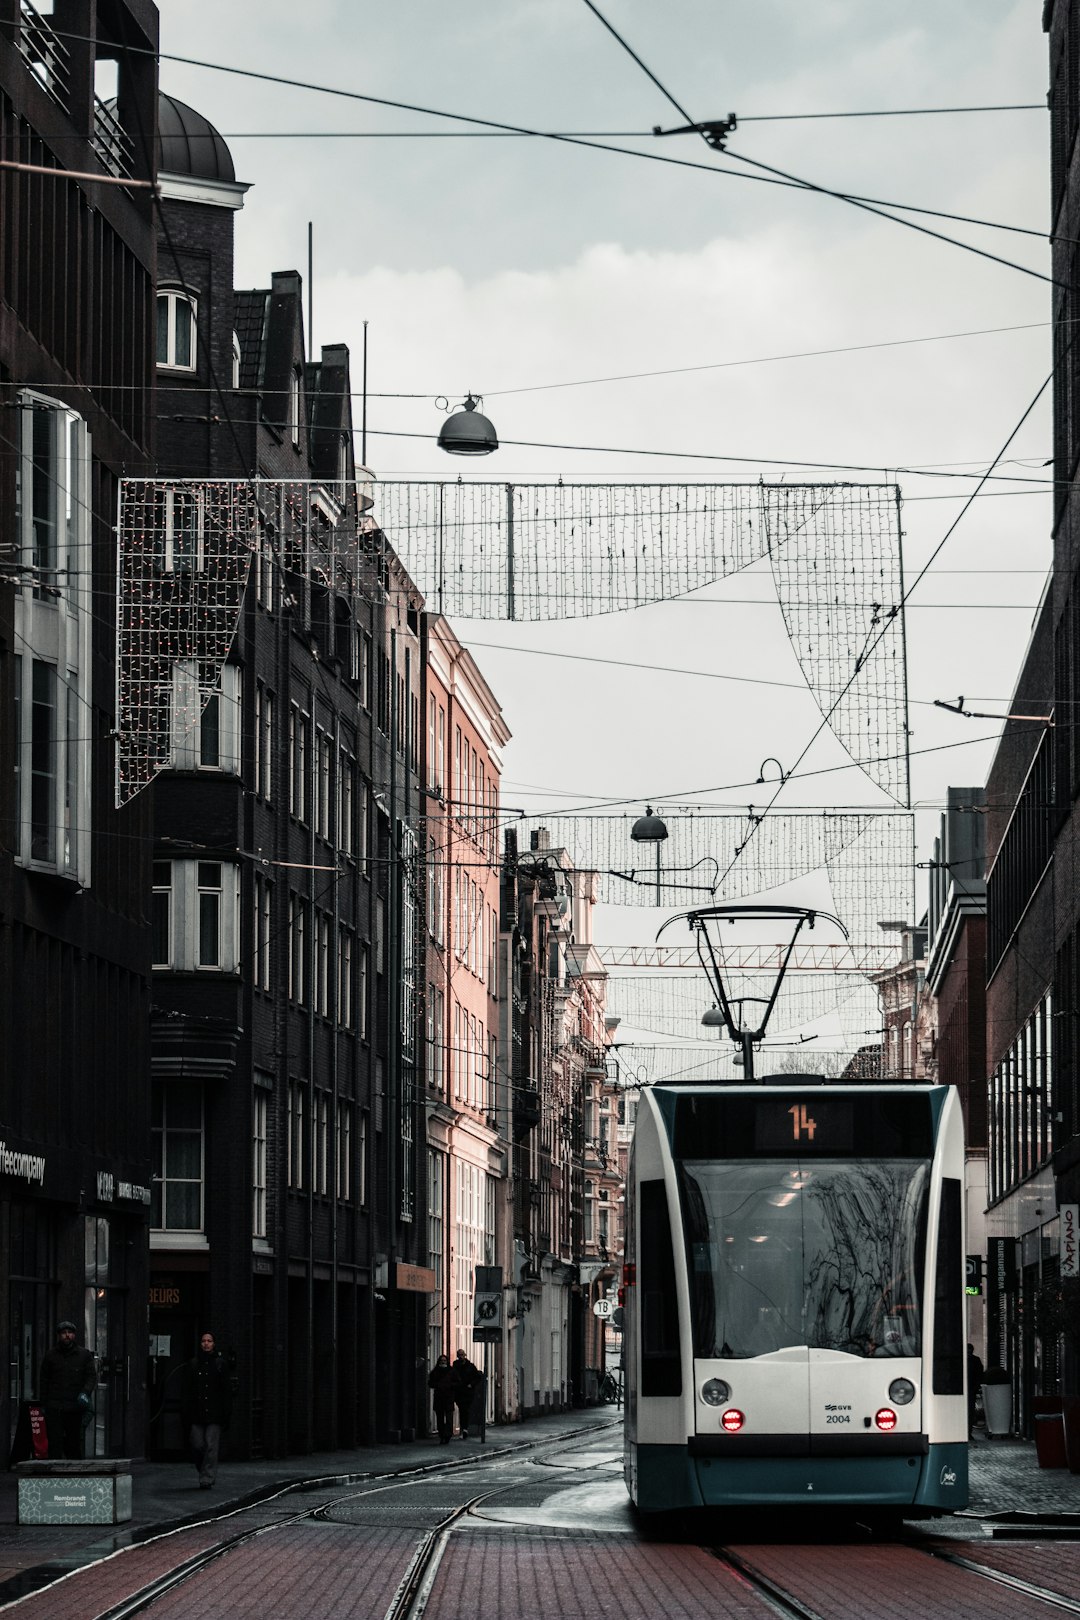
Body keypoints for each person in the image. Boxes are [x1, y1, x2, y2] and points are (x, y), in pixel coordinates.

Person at [179, 1331, 233, 1488]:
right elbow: (187, 1390)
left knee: (211, 1445)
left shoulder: (220, 1364)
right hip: (197, 1412)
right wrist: (185, 1410)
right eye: (203, 1341)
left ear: (213, 1344)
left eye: (209, 1341)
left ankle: (207, 1478)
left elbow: (226, 1391)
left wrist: (226, 1412)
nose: (206, 1343)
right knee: (197, 1444)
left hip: (215, 1413)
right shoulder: (194, 1364)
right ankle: (203, 1470)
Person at [38, 1320, 96, 1460]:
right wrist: (44, 1404)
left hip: (75, 1407)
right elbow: (44, 1380)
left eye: (70, 1333)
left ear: (74, 1335)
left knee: (74, 1443)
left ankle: (75, 1475)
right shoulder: (51, 1355)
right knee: (55, 1443)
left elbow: (91, 1377)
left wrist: (85, 1392)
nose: (67, 1335)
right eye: (64, 1333)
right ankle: (54, 1475)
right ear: (59, 1335)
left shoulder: (84, 1355)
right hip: (55, 1406)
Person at [427, 1354, 460, 1444]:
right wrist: (438, 1385)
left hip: (449, 1397)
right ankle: (441, 1435)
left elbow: (457, 1382)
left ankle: (448, 1435)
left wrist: (450, 1386)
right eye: (441, 1360)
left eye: (444, 1360)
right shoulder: (435, 1372)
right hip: (439, 1397)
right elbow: (430, 1383)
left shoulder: (452, 1371)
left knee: (449, 1418)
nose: (443, 1362)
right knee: (440, 1418)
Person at [453, 1348, 481, 1439]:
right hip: (459, 1392)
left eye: (462, 1355)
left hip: (468, 1392)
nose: (460, 1357)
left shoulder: (470, 1366)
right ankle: (464, 1429)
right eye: (459, 1355)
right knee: (462, 1410)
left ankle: (464, 1428)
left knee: (465, 1410)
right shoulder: (455, 1365)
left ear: (465, 1355)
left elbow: (477, 1377)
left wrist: (471, 1384)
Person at [967, 1343, 984, 1435]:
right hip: (971, 1389)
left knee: (969, 1411)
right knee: (970, 1411)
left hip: (969, 1389)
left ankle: (968, 1431)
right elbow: (980, 1374)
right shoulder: (976, 1360)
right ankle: (969, 1431)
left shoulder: (963, 1360)